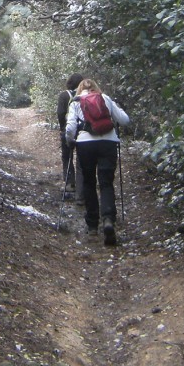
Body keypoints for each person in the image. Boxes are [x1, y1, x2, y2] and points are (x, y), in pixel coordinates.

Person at [64, 78, 130, 245]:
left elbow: (71, 127)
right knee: (106, 182)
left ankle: (93, 225)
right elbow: (124, 120)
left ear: (80, 89)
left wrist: (69, 141)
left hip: (85, 144)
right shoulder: (105, 98)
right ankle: (108, 219)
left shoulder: (75, 102)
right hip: (108, 143)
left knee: (89, 182)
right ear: (96, 88)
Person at [57, 73, 84, 202]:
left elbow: (61, 113)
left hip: (68, 129)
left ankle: (69, 183)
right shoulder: (85, 96)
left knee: (67, 156)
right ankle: (81, 190)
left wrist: (63, 128)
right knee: (81, 161)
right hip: (83, 132)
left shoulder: (64, 95)